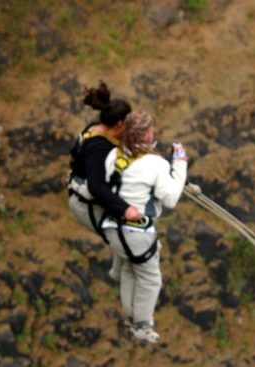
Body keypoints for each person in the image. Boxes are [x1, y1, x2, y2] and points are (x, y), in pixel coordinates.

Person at [101, 111, 188, 343]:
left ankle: (132, 318)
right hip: (137, 232)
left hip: (113, 229)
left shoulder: (113, 156)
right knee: (150, 279)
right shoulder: (156, 164)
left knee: (131, 269)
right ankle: (142, 325)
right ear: (148, 134)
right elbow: (169, 198)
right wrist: (179, 164)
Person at [68, 82, 141, 280]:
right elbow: (96, 186)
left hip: (86, 194)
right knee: (132, 234)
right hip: (86, 204)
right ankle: (122, 272)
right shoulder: (98, 147)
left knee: (128, 230)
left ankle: (122, 268)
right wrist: (125, 208)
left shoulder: (99, 129)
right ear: (119, 124)